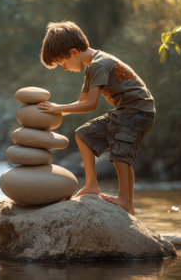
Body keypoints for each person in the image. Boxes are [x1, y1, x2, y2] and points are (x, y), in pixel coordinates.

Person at [37, 21, 155, 216]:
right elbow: (81, 101)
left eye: (63, 64)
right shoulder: (91, 66)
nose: (64, 68)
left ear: (74, 52)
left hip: (138, 112)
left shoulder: (99, 65)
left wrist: (58, 108)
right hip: (125, 111)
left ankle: (126, 201)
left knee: (120, 151)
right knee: (83, 135)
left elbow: (90, 105)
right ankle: (92, 185)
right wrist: (55, 112)